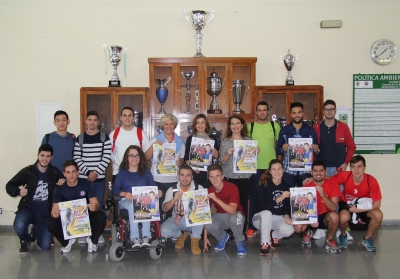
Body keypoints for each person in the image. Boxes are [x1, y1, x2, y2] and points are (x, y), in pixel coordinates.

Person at [6, 144, 64, 254]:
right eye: (42, 155)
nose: (45, 159)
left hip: (46, 213)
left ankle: (34, 232)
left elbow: (68, 182)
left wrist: (63, 180)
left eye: (48, 156)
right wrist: (18, 191)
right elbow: (9, 185)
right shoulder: (28, 171)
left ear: (52, 158)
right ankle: (25, 239)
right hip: (28, 209)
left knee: (45, 246)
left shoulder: (55, 172)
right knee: (18, 224)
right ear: (37, 155)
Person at [312, 99, 356, 240]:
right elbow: (311, 149)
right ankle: (320, 228)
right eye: (327, 109)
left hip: (338, 171)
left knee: (337, 201)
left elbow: (351, 147)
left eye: (332, 109)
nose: (329, 111)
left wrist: (345, 163)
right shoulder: (317, 128)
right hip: (321, 172)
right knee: (319, 198)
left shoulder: (343, 127)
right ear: (323, 111)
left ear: (335, 111)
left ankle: (338, 229)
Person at [47, 160, 107, 253]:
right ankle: (67, 242)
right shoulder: (59, 188)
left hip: (84, 217)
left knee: (101, 216)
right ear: (64, 174)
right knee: (50, 222)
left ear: (78, 172)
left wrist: (94, 207)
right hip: (68, 220)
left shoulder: (86, 184)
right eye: (68, 172)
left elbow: (96, 204)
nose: (71, 175)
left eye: (74, 171)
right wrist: (55, 213)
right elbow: (54, 211)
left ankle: (92, 241)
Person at [73, 110, 111, 244]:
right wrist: (88, 172)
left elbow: (106, 157)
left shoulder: (104, 137)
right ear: (86, 121)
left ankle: (97, 233)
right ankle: (83, 233)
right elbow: (76, 157)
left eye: (95, 120)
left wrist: (95, 172)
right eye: (90, 120)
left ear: (98, 122)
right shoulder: (80, 138)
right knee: (82, 207)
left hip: (99, 179)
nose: (92, 122)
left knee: (97, 206)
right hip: (83, 179)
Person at [330, 155, 383, 252]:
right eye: (353, 166)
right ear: (350, 167)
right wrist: (313, 179)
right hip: (347, 204)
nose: (356, 170)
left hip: (363, 206)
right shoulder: (345, 176)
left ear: (364, 167)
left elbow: (377, 204)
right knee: (343, 217)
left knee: (378, 215)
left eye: (359, 166)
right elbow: (328, 181)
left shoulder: (371, 180)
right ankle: (343, 235)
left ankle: (367, 238)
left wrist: (358, 210)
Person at [247, 101, 281, 238]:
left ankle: (271, 226)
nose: (262, 112)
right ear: (256, 112)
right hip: (254, 168)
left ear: (268, 111)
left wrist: (279, 164)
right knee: (254, 197)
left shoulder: (275, 126)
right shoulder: (250, 127)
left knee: (271, 197)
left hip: (271, 169)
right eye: (259, 110)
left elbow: (279, 147)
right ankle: (251, 226)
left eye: (264, 110)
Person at [219, 115, 257, 235]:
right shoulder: (225, 142)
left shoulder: (248, 141)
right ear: (229, 127)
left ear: (242, 125)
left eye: (237, 123)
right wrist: (228, 154)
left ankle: (241, 230)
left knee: (243, 204)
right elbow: (221, 161)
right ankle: (230, 230)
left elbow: (251, 160)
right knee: (229, 205)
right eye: (232, 124)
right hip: (230, 178)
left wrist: (256, 152)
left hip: (245, 178)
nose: (235, 126)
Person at [112, 145, 156, 248]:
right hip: (125, 201)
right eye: (131, 156)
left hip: (142, 201)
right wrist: (125, 194)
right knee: (133, 205)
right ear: (127, 157)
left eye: (137, 156)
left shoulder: (146, 172)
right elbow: (115, 190)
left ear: (140, 157)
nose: (134, 158)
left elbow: (152, 187)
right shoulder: (122, 173)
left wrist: (157, 192)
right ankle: (135, 238)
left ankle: (146, 236)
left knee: (144, 203)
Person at [294, 160, 341, 254]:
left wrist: (323, 194)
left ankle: (329, 239)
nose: (318, 173)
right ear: (311, 172)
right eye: (315, 171)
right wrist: (310, 221)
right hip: (310, 215)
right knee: (298, 227)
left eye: (321, 171)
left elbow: (333, 208)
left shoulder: (333, 184)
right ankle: (307, 232)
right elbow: (302, 209)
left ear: (325, 172)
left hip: (325, 216)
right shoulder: (306, 185)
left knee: (335, 216)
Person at [145, 114, 185, 222]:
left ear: (175, 125)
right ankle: (158, 231)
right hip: (157, 179)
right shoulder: (155, 139)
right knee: (157, 207)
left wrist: (180, 162)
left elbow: (182, 160)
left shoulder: (180, 141)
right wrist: (154, 146)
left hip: (173, 180)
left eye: (171, 124)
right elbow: (146, 157)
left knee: (171, 207)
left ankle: (169, 231)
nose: (169, 126)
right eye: (166, 124)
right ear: (163, 125)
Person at [252, 159, 294, 256]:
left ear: (283, 170)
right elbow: (263, 206)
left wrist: (287, 216)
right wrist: (280, 198)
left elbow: (287, 206)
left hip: (277, 218)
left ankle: (274, 235)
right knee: (267, 213)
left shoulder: (287, 186)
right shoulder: (263, 185)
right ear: (270, 172)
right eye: (274, 169)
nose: (277, 172)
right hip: (260, 219)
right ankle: (265, 243)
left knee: (290, 230)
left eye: (279, 169)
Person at [203, 164, 247, 256]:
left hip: (236, 214)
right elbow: (205, 215)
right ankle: (222, 237)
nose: (215, 179)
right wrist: (205, 237)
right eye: (212, 176)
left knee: (235, 219)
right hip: (222, 216)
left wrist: (216, 199)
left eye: (217, 176)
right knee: (208, 223)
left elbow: (232, 211)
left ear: (222, 176)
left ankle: (239, 241)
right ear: (209, 178)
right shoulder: (209, 190)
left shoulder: (232, 187)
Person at [161, 165, 204, 254]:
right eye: (182, 175)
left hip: (192, 220)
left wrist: (181, 214)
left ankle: (195, 240)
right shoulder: (172, 189)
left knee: (200, 217)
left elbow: (202, 209)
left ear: (192, 177)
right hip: (176, 220)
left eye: (188, 175)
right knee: (163, 231)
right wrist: (173, 200)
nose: (185, 178)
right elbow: (164, 209)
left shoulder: (198, 188)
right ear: (178, 176)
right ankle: (180, 236)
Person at [276, 102, 319, 187]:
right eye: (294, 113)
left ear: (303, 113)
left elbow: (317, 151)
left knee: (304, 195)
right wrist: (282, 149)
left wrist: (316, 149)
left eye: (299, 112)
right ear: (291, 114)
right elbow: (278, 150)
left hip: (305, 171)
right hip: (289, 171)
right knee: (288, 196)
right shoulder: (284, 130)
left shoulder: (310, 130)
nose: (297, 115)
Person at [109, 106, 150, 182]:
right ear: (120, 118)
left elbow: (146, 153)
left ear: (134, 118)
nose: (127, 118)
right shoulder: (113, 134)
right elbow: (109, 153)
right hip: (118, 173)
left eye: (129, 116)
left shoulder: (141, 134)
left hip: (137, 173)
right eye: (124, 115)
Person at [184, 114, 220, 188]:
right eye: (198, 122)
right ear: (195, 125)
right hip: (194, 173)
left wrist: (210, 144)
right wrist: (193, 167)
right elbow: (186, 158)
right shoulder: (190, 139)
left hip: (208, 174)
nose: (200, 125)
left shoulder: (212, 138)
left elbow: (216, 156)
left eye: (202, 122)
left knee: (206, 196)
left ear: (206, 125)